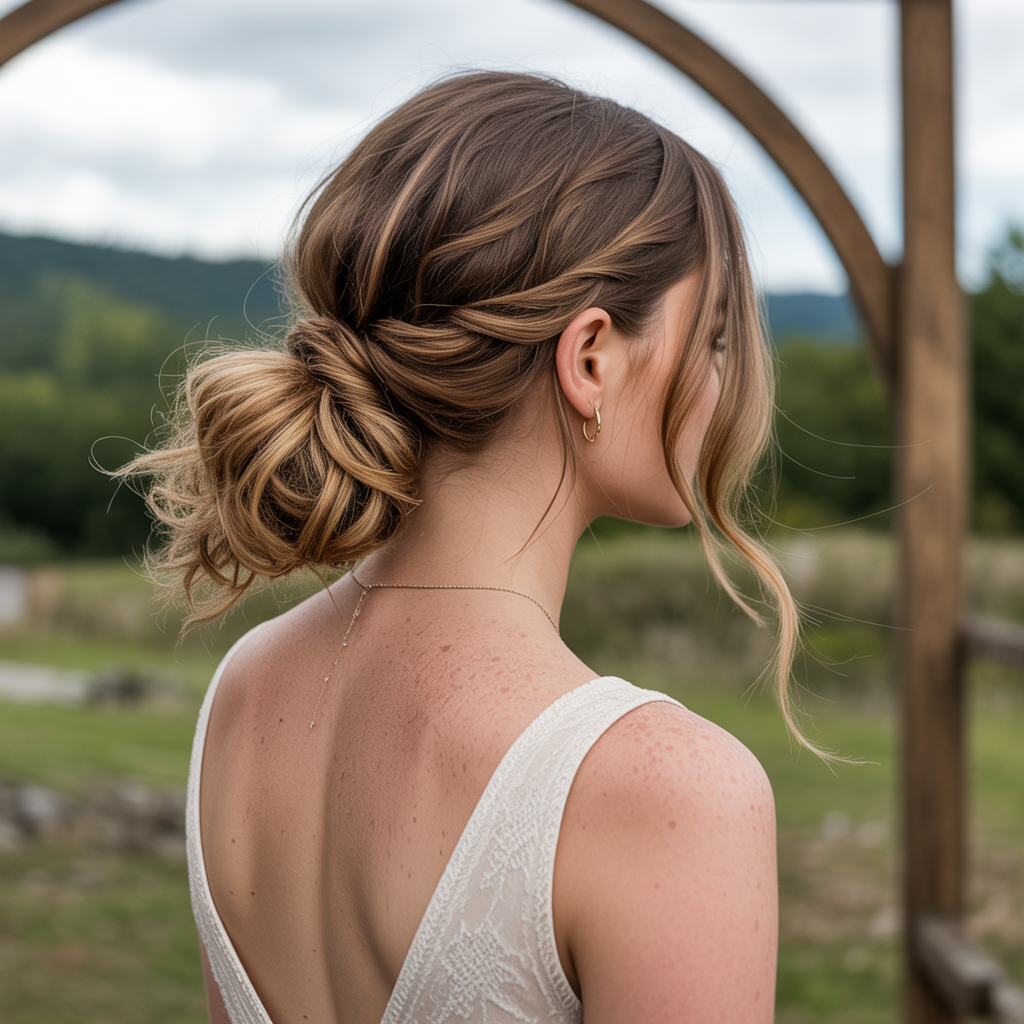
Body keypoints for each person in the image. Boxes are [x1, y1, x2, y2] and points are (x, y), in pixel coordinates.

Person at [121, 71, 800, 1024]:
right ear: (592, 356)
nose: (726, 383)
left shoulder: (247, 689)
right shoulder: (671, 793)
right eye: (717, 337)